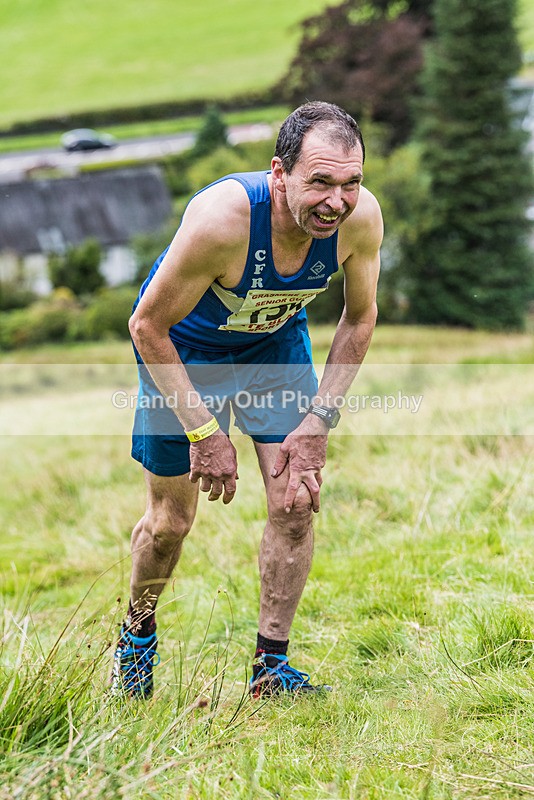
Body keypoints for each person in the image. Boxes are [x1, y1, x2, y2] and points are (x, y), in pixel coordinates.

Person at [111, 101, 383, 699]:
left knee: (295, 502)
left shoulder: (360, 221)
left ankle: (271, 667)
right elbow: (146, 326)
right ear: (279, 173)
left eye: (351, 182)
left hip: (273, 348)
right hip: (184, 349)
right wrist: (205, 433)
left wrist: (319, 420)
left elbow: (359, 319)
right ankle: (136, 639)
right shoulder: (224, 219)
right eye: (320, 182)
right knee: (170, 524)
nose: (337, 201)